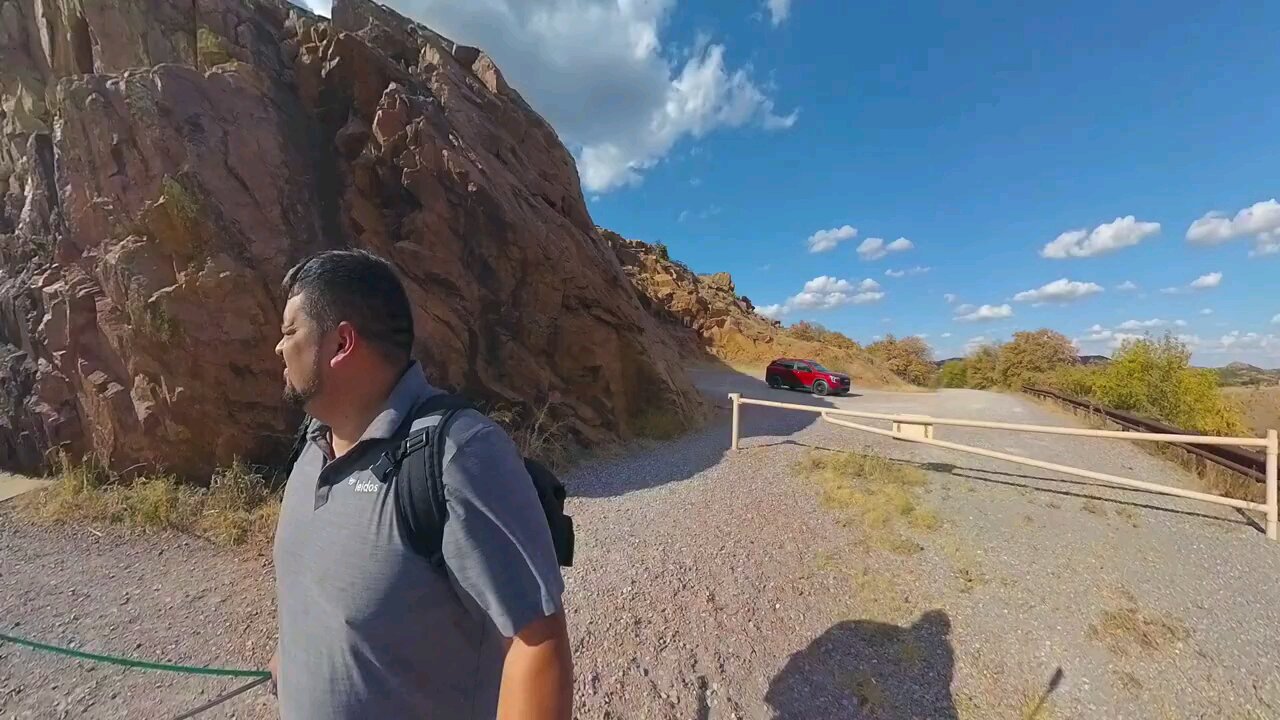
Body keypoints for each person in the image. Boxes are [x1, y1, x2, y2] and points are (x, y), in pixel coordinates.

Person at [268, 248, 573, 719]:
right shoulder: (309, 446)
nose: (279, 347)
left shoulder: (461, 454)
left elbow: (538, 643)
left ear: (341, 343)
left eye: (290, 331)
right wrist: (293, 662)